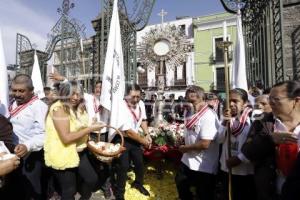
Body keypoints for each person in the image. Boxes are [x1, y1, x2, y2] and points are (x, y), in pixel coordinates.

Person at [241, 81, 300, 200]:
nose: (270, 102)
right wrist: (269, 140)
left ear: (296, 100)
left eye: (276, 99)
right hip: (271, 190)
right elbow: (247, 152)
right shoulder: (262, 121)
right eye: (270, 98)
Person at [44, 81, 103, 200]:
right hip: (63, 153)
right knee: (69, 191)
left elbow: (79, 126)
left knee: (92, 179)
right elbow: (66, 138)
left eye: (78, 94)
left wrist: (92, 125)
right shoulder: (59, 108)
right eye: (72, 94)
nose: (76, 97)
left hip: (80, 150)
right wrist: (90, 129)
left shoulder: (79, 106)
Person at [6, 74, 48, 200]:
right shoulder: (11, 103)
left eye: (21, 91)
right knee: (13, 188)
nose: (17, 94)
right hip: (11, 153)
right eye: (14, 90)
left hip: (31, 156)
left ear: (31, 90)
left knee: (32, 191)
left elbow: (44, 134)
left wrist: (27, 145)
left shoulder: (40, 107)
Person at [175, 85, 219, 200]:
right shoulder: (189, 112)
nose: (188, 102)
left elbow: (205, 143)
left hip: (204, 164)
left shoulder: (208, 115)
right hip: (188, 160)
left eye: (192, 100)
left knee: (204, 194)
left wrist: (185, 148)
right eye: (187, 99)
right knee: (181, 183)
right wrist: (183, 139)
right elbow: (191, 131)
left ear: (201, 98)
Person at [112, 83, 151, 200]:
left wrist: (146, 133)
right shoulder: (121, 105)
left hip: (136, 138)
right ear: (126, 96)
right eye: (133, 97)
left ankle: (138, 183)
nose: (136, 99)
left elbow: (143, 119)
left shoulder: (141, 104)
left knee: (139, 163)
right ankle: (119, 193)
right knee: (123, 166)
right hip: (122, 138)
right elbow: (128, 131)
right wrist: (144, 141)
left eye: (138, 97)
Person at [218, 88, 256, 200]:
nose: (231, 104)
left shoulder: (252, 118)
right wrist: (225, 121)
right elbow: (219, 140)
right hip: (227, 169)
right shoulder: (226, 118)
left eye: (235, 101)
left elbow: (254, 145)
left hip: (244, 171)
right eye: (229, 100)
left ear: (244, 104)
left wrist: (240, 158)